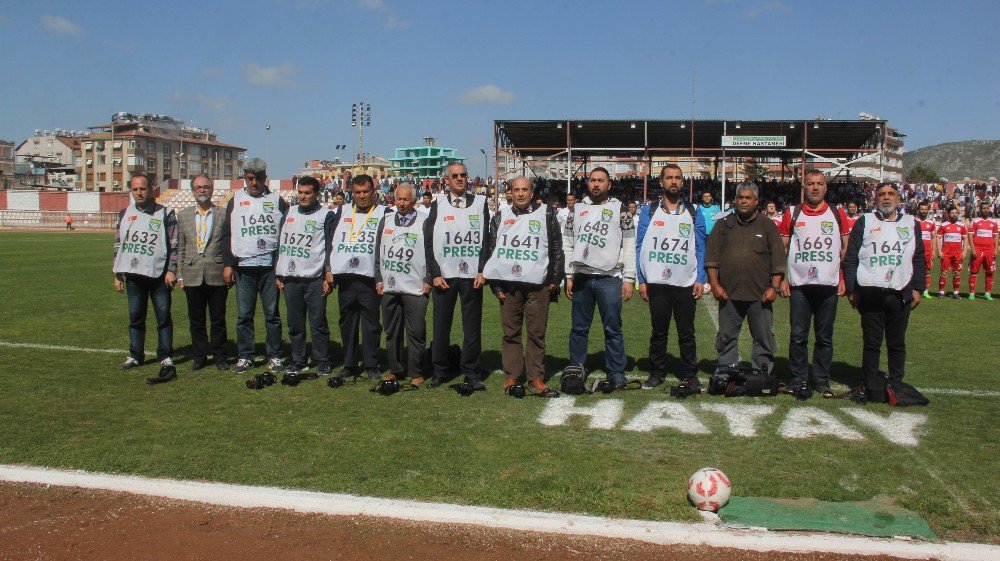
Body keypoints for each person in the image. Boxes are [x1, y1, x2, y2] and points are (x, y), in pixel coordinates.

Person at [481, 177, 563, 397]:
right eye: (516, 190)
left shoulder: (546, 214)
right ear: (510, 193)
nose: (520, 194)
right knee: (510, 333)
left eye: (524, 190)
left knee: (536, 334)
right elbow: (492, 252)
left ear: (531, 192)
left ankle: (536, 377)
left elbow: (556, 248)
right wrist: (495, 285)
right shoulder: (500, 217)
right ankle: (512, 376)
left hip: (538, 286)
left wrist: (555, 280)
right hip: (509, 287)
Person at [777, 170, 850, 398]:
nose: (815, 188)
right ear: (804, 187)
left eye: (819, 184)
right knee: (798, 335)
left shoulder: (838, 214)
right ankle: (798, 378)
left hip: (828, 284)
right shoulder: (792, 213)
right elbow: (783, 249)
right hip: (800, 284)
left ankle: (821, 379)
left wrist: (843, 277)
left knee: (824, 336)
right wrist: (782, 278)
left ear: (826, 188)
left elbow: (845, 250)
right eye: (811, 184)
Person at [562, 167, 636, 391]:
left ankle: (616, 372)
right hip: (582, 277)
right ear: (588, 184)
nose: (596, 184)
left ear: (609, 184)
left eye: (601, 181)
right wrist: (568, 274)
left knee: (613, 329)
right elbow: (568, 243)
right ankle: (577, 368)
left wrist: (629, 278)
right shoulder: (577, 209)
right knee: (578, 329)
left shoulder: (621, 209)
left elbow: (630, 244)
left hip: (609, 278)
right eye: (593, 180)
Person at [843, 182, 925, 382]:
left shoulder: (911, 223)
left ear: (898, 198)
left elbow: (919, 257)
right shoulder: (864, 222)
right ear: (875, 199)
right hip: (870, 293)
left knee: (896, 343)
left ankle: (896, 382)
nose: (886, 197)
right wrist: (852, 289)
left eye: (891, 194)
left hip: (901, 291)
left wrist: (918, 289)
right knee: (871, 342)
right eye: (881, 194)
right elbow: (851, 257)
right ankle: (869, 382)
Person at [636, 165, 707, 390]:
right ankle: (657, 372)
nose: (673, 182)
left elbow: (701, 247)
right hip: (658, 282)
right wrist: (642, 279)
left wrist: (700, 278)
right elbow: (640, 246)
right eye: (669, 178)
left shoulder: (694, 211)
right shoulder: (649, 210)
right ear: (661, 182)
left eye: (677, 178)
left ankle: (690, 373)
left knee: (687, 332)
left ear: (682, 182)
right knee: (659, 331)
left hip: (685, 282)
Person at [705, 183, 785, 375]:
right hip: (729, 293)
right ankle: (726, 372)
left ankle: (763, 373)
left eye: (748, 198)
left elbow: (778, 260)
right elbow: (711, 258)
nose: (743, 201)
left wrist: (774, 287)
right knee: (726, 337)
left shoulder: (768, 226)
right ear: (735, 199)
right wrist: (715, 284)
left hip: (760, 294)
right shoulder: (723, 224)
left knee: (763, 337)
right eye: (740, 197)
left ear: (756, 201)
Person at [424, 162, 489, 389]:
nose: (459, 178)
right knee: (441, 326)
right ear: (447, 180)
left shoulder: (481, 203)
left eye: (463, 175)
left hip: (472, 276)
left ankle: (471, 371)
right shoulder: (437, 204)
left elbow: (486, 241)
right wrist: (434, 273)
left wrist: (483, 270)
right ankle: (439, 371)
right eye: (455, 176)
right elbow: (429, 242)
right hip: (445, 277)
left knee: (472, 327)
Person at [221, 158, 289, 374]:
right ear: (245, 178)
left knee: (272, 315)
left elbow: (286, 234)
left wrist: (281, 266)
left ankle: (275, 355)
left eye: (259, 178)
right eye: (250, 178)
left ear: (264, 179)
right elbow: (227, 233)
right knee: (244, 315)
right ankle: (245, 356)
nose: (254, 182)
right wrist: (228, 264)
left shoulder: (277, 201)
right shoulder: (235, 201)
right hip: (244, 267)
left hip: (270, 268)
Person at [112, 173, 179, 383]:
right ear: (131, 191)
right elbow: (119, 245)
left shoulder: (166, 213)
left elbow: (174, 244)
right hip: (133, 275)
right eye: (135, 189)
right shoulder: (124, 214)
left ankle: (165, 355)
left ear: (151, 189)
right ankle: (135, 355)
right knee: (136, 318)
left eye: (142, 189)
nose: (139, 193)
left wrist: (171, 269)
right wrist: (118, 273)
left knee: (163, 317)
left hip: (159, 275)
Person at [329, 174, 388, 379]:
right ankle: (349, 363)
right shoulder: (341, 211)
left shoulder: (384, 213)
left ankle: (372, 365)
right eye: (357, 192)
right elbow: (331, 241)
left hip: (369, 278)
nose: (362, 196)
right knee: (347, 323)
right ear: (351, 194)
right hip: (345, 278)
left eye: (365, 192)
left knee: (371, 324)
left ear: (373, 192)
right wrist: (329, 268)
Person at [275, 176, 335, 376]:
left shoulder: (325, 215)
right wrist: (278, 272)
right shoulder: (289, 212)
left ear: (317, 194)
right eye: (300, 192)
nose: (303, 196)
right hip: (291, 278)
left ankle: (322, 359)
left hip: (314, 278)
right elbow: (281, 243)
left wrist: (328, 274)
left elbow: (329, 246)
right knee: (294, 323)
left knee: (318, 323)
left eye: (307, 192)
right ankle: (298, 359)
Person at [375, 183, 431, 385]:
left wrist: (429, 279)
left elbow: (433, 253)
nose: (401, 203)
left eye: (406, 199)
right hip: (389, 285)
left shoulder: (424, 221)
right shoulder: (386, 220)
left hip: (415, 286)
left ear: (414, 201)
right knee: (392, 331)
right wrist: (378, 278)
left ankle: (416, 372)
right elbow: (378, 252)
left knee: (416, 332)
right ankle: (396, 369)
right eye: (398, 199)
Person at [176, 174, 230, 371]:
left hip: (217, 273)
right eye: (198, 187)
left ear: (212, 189)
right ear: (192, 191)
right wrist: (179, 273)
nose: (202, 190)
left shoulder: (223, 214)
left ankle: (220, 357)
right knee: (196, 320)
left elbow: (227, 245)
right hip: (192, 274)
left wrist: (228, 268)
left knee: (218, 320)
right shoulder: (183, 215)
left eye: (206, 186)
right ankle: (199, 356)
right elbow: (181, 247)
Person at [968, 201, 999, 300]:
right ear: (980, 210)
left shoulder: (993, 222)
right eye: (983, 208)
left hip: (990, 250)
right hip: (977, 249)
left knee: (990, 272)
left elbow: (996, 236)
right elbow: (970, 236)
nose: (986, 210)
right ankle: (972, 293)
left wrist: (996, 249)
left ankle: (987, 293)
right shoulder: (975, 221)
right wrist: (972, 249)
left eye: (987, 208)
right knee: (974, 272)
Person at [936, 205, 967, 299]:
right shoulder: (943, 225)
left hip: (958, 254)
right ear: (948, 214)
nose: (954, 215)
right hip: (946, 253)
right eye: (952, 213)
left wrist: (965, 251)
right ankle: (941, 292)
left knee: (957, 273)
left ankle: (956, 293)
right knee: (944, 272)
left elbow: (965, 239)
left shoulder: (962, 225)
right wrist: (939, 251)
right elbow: (938, 238)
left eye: (956, 213)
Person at [915, 202, 936, 298]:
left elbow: (933, 238)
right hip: (915, 251)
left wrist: (934, 251)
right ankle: (913, 289)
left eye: (925, 209)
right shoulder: (913, 221)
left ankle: (926, 291)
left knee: (927, 271)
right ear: (918, 210)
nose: (924, 211)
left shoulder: (931, 223)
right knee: (913, 270)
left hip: (927, 251)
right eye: (922, 209)